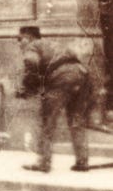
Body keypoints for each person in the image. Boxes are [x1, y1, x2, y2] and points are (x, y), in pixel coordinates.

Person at [15, 25, 92, 173]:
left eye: (19, 39)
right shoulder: (52, 44)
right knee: (77, 120)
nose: (18, 43)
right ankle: (82, 162)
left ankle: (43, 163)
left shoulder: (33, 46)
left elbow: (31, 64)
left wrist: (25, 88)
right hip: (82, 74)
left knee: (47, 120)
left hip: (61, 78)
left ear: (29, 37)